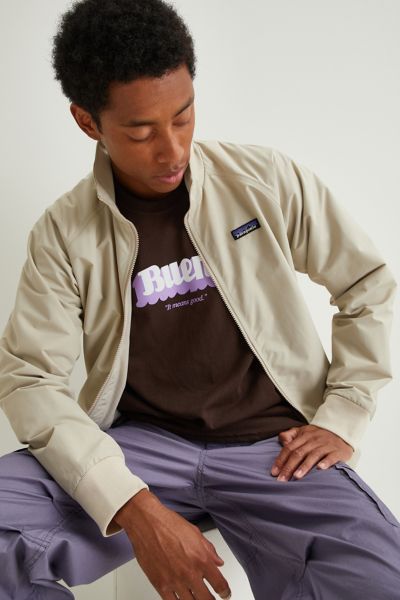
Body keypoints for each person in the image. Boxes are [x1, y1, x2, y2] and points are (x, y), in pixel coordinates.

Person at [0, 0, 399, 598]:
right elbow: (30, 377)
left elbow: (366, 281)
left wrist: (345, 412)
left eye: (183, 116)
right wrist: (131, 504)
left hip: (278, 449)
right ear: (88, 122)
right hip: (139, 450)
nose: (172, 150)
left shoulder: (262, 179)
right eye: (141, 132)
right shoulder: (64, 232)